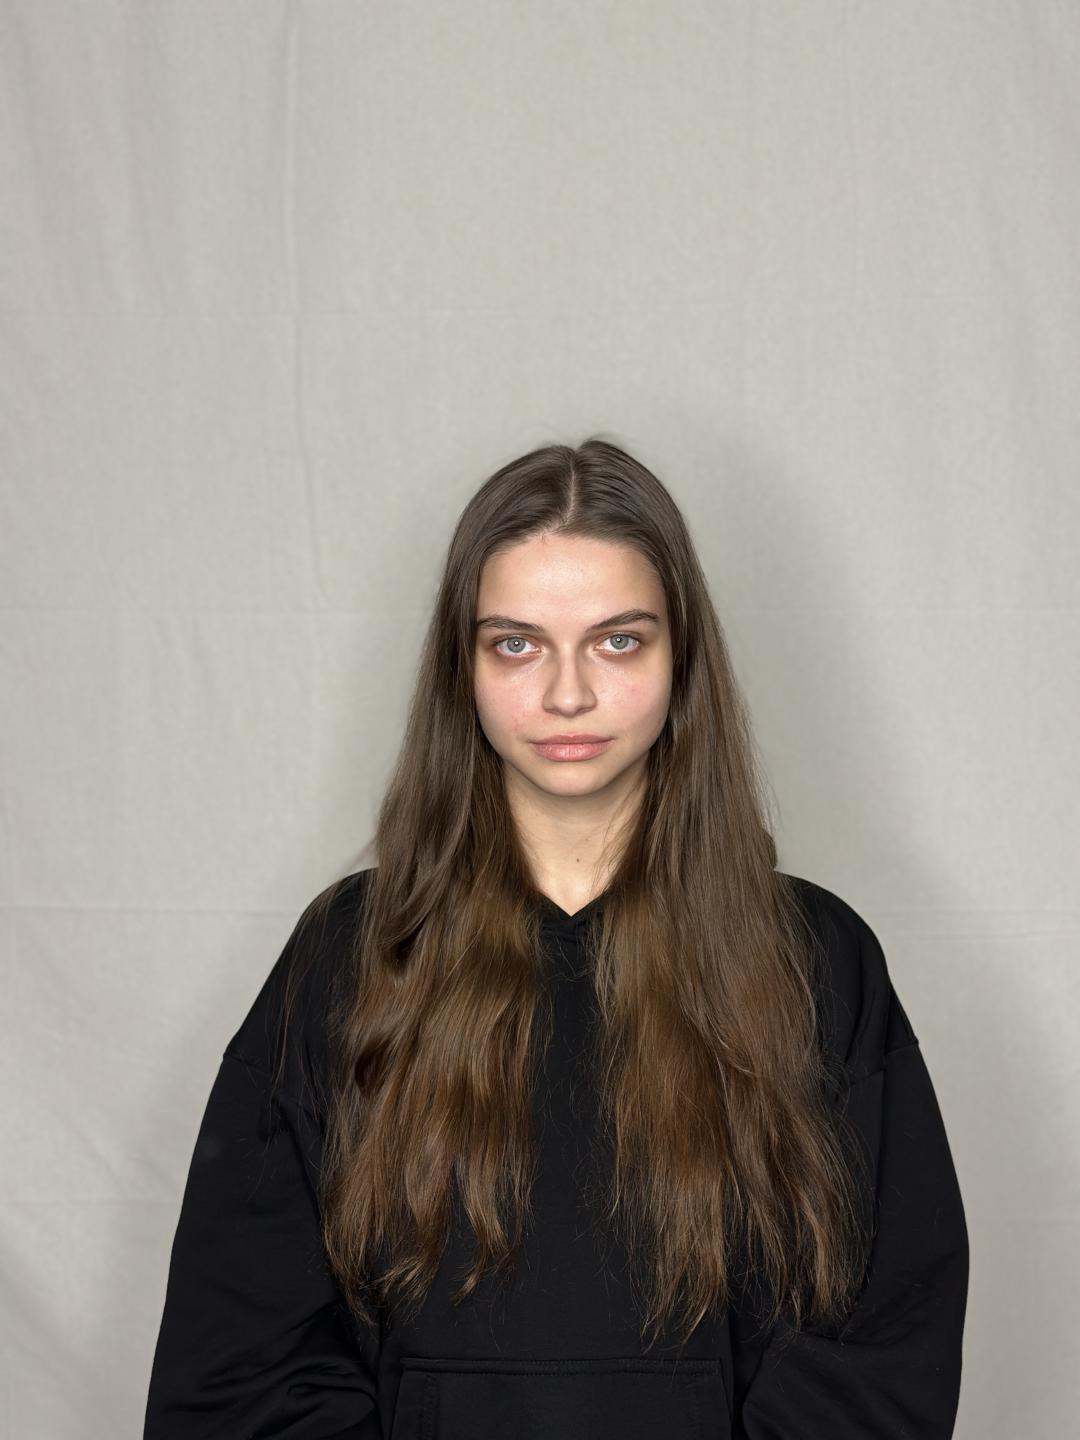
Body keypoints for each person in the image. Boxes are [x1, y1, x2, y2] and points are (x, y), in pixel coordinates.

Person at [143, 437, 969, 1438]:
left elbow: (881, 1347)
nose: (567, 693)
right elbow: (246, 1356)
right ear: (461, 668)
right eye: (516, 644)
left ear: (681, 660)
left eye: (618, 641)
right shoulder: (352, 958)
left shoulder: (816, 962)